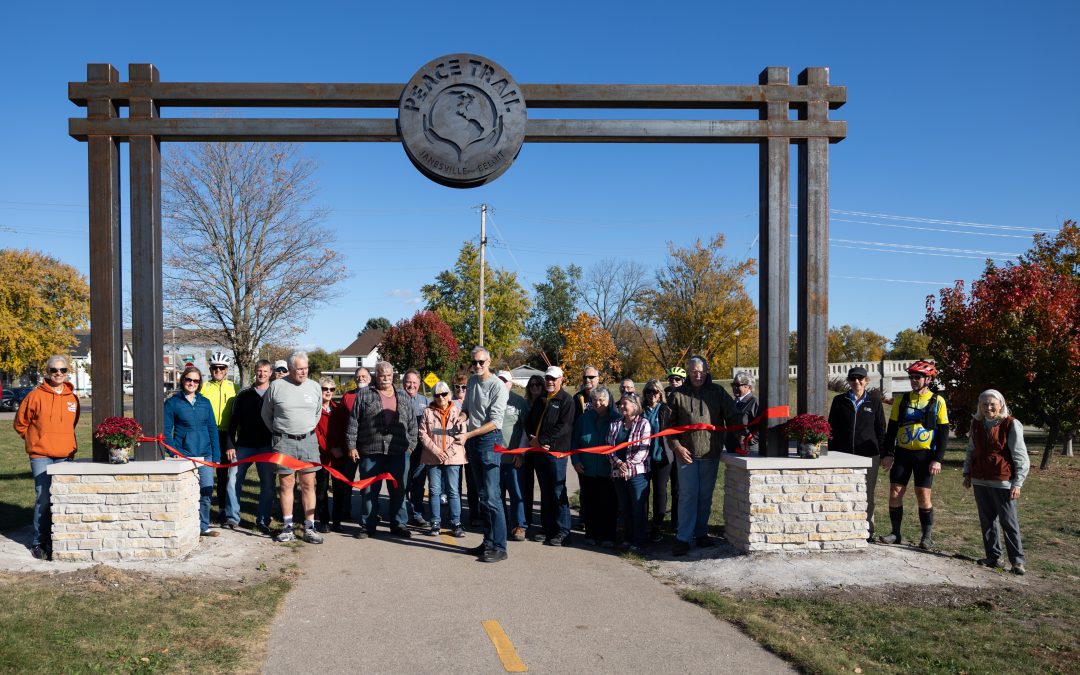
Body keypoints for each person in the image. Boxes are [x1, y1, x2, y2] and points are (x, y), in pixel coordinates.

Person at [666, 356, 739, 556]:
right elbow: (668, 427)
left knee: (705, 497)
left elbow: (733, 415)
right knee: (688, 496)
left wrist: (745, 432)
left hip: (710, 453)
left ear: (707, 371)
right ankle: (683, 538)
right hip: (686, 455)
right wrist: (677, 447)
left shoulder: (718, 392)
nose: (697, 375)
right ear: (688, 372)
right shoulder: (677, 395)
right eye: (693, 371)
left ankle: (701, 533)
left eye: (701, 371)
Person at [13, 355, 79, 560]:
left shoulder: (72, 398)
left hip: (64, 455)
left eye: (62, 370)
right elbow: (20, 423)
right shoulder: (35, 395)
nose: (58, 374)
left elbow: (72, 424)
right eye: (54, 370)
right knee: (43, 497)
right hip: (41, 455)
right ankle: (39, 542)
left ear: (68, 372)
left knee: (61, 498)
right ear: (47, 372)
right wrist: (35, 439)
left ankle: (56, 538)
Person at [880, 360, 949, 549]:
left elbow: (943, 432)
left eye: (917, 377)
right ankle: (895, 533)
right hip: (903, 454)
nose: (913, 380)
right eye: (911, 377)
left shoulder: (938, 401)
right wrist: (888, 453)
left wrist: (938, 459)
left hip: (925, 456)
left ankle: (926, 537)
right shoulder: (902, 400)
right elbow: (892, 428)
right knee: (895, 492)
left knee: (923, 494)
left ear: (928, 379)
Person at [345, 361, 417, 539]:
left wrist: (411, 446)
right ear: (375, 375)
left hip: (398, 452)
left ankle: (399, 524)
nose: (386, 378)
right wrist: (351, 446)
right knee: (369, 490)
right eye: (382, 375)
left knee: (399, 489)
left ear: (393, 376)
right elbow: (354, 421)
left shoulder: (403, 395)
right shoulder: (365, 394)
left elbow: (413, 424)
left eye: (389, 375)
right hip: (371, 451)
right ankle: (367, 525)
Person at [963, 389, 1028, 575]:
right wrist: (967, 473)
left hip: (1003, 481)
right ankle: (993, 557)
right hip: (980, 480)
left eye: (992, 403)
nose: (988, 407)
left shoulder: (1011, 424)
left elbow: (1020, 456)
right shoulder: (976, 423)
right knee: (987, 521)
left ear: (1001, 404)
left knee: (1009, 521)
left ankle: (1017, 561)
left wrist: (1018, 483)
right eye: (984, 404)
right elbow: (971, 450)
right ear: (979, 406)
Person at [261, 351, 324, 544]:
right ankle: (287, 526)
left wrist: (303, 430)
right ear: (290, 369)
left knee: (308, 484)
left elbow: (317, 413)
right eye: (300, 369)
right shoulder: (276, 386)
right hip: (284, 442)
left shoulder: (314, 387)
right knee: (287, 484)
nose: (304, 372)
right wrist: (282, 433)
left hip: (308, 441)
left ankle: (309, 527)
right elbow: (266, 414)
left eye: (306, 368)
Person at [460, 347, 510, 562]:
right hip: (473, 441)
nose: (478, 366)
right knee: (483, 495)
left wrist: (469, 433)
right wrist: (460, 418)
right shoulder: (472, 381)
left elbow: (495, 422)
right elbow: (466, 408)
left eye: (481, 362)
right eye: (474, 363)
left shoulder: (498, 386)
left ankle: (500, 546)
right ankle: (488, 543)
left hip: (489, 440)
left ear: (489, 361)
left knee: (492, 496)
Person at [827, 366, 886, 540]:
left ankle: (868, 529)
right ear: (849, 381)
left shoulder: (874, 402)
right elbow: (831, 428)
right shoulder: (839, 400)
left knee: (868, 493)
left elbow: (881, 429)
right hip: (843, 454)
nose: (857, 382)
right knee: (843, 490)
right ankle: (845, 526)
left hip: (869, 455)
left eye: (860, 379)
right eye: (853, 379)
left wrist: (884, 454)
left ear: (866, 381)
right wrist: (830, 453)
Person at [164, 365, 221, 538]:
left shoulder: (205, 402)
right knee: (185, 494)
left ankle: (203, 526)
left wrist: (216, 455)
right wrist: (174, 451)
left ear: (199, 383)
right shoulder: (172, 403)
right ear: (183, 380)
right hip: (183, 455)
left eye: (196, 380)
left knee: (206, 491)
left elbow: (212, 428)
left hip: (205, 454)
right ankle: (185, 527)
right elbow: (166, 430)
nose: (192, 383)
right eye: (189, 379)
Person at [525, 365, 575, 547]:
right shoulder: (541, 399)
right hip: (539, 452)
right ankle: (548, 528)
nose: (550, 382)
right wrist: (533, 439)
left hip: (556, 453)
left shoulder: (566, 400)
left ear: (561, 379)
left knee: (557, 491)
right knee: (546, 491)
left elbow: (564, 427)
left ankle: (563, 531)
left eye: (553, 379)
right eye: (548, 378)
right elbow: (529, 422)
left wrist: (544, 440)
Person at [228, 359, 276, 535]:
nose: (262, 374)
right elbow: (233, 422)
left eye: (265, 371)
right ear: (255, 372)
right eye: (259, 371)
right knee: (232, 481)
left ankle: (263, 520)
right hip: (244, 446)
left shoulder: (275, 393)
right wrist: (230, 444)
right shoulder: (243, 394)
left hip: (267, 447)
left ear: (271, 373)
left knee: (268, 485)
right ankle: (232, 517)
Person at [419, 381, 467, 538]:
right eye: (437, 395)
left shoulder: (458, 412)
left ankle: (456, 523)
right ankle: (435, 522)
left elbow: (462, 435)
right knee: (434, 491)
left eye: (444, 394)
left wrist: (448, 452)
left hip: (453, 457)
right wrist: (437, 451)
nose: (441, 397)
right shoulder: (427, 412)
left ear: (449, 395)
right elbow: (423, 434)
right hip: (433, 457)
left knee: (453, 491)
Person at [571, 387, 617, 547]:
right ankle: (591, 534)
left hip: (608, 470)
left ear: (608, 401)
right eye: (594, 400)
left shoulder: (616, 418)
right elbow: (574, 441)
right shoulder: (584, 418)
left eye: (601, 400)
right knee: (590, 503)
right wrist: (575, 460)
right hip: (587, 469)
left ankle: (608, 536)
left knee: (608, 503)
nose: (598, 403)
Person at [609, 394, 652, 553]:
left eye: (625, 404)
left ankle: (639, 541)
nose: (621, 407)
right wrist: (618, 464)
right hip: (618, 472)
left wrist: (628, 465)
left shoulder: (644, 424)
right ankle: (627, 539)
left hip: (637, 473)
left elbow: (644, 449)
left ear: (635, 406)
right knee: (625, 507)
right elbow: (609, 446)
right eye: (620, 404)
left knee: (638, 508)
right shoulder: (615, 424)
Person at [202, 351, 238, 528]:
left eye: (221, 368)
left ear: (226, 370)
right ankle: (202, 507)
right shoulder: (204, 387)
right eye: (215, 368)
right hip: (207, 433)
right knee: (205, 471)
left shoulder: (234, 387)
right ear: (210, 369)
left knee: (223, 473)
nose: (218, 370)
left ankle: (223, 508)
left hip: (226, 434)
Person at [498, 370, 530, 541]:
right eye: (499, 381)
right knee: (498, 494)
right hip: (495, 458)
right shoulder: (490, 400)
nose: (502, 384)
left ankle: (519, 525)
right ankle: (502, 524)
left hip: (514, 458)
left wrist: (521, 453)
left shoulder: (519, 402)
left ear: (511, 384)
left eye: (505, 381)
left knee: (517, 493)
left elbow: (527, 429)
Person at [641, 379, 673, 542]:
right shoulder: (640, 411)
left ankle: (657, 526)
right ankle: (642, 524)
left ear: (660, 394)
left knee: (660, 492)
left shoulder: (666, 410)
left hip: (662, 458)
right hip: (642, 460)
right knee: (643, 492)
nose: (651, 395)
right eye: (647, 392)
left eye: (654, 392)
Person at [314, 376, 345, 533]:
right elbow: (316, 433)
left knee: (339, 490)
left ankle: (338, 521)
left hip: (339, 457)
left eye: (331, 389)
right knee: (322, 489)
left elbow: (345, 431)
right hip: (322, 457)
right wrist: (329, 448)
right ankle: (324, 521)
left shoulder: (339, 410)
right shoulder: (315, 410)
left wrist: (340, 449)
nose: (328, 392)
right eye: (325, 389)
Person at [401, 369, 431, 528]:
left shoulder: (425, 402)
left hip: (421, 450)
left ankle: (417, 514)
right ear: (403, 382)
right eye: (408, 381)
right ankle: (402, 515)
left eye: (414, 382)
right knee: (403, 483)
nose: (411, 385)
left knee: (418, 483)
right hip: (403, 450)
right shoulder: (396, 399)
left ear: (419, 385)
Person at [519, 374, 546, 536]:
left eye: (538, 385)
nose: (535, 387)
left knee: (545, 488)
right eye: (532, 385)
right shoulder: (525, 404)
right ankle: (525, 520)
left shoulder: (545, 403)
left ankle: (544, 522)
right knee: (526, 487)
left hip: (542, 449)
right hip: (526, 450)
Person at [730, 372, 760, 455]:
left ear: (748, 387)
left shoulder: (754, 402)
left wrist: (750, 440)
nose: (734, 387)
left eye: (737, 385)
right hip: (733, 447)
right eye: (733, 385)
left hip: (749, 449)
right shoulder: (734, 402)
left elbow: (762, 426)